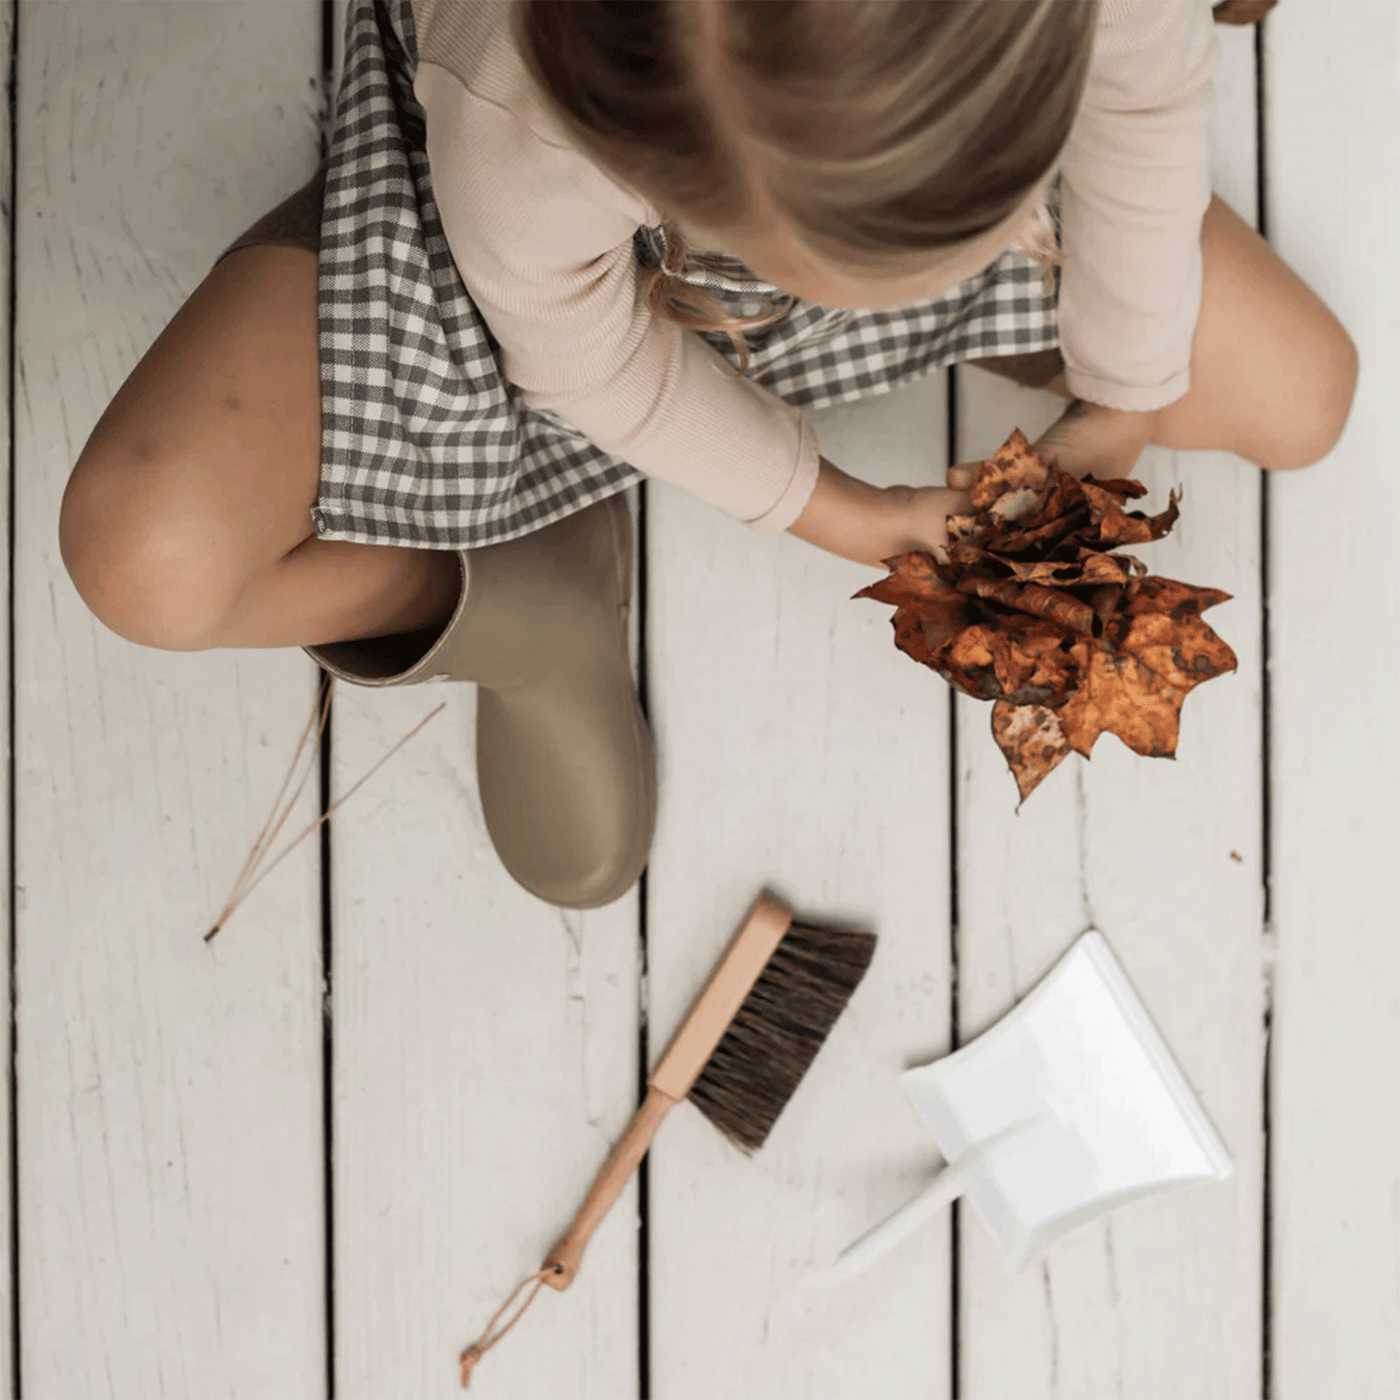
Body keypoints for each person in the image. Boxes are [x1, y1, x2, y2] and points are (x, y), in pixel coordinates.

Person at [58, 0, 1357, 913]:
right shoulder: (525, 115)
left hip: (849, 132)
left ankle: (924, 227)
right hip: (527, 233)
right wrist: (830, 509)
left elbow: (1139, 101)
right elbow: (584, 356)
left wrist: (1119, 402)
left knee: (1302, 396)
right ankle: (524, 610)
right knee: (150, 559)